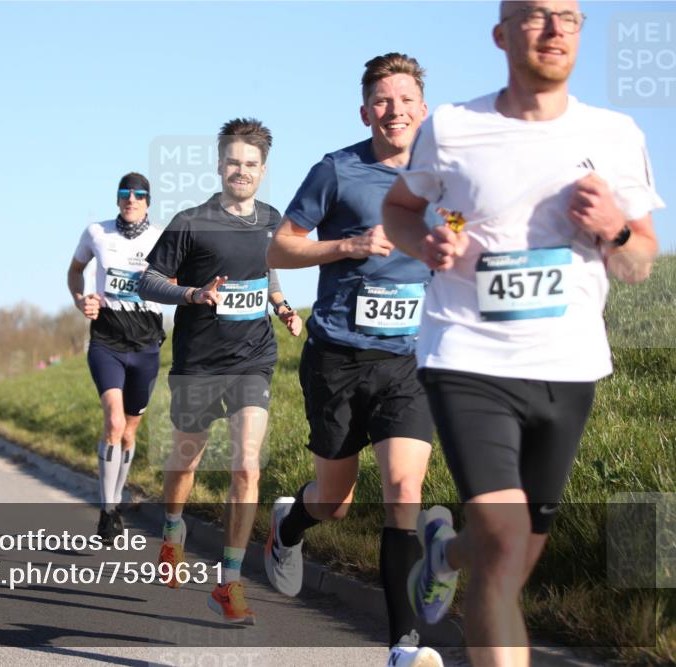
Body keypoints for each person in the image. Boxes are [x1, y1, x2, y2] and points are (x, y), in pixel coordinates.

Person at [381, 2, 662, 665]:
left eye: (568, 16)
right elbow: (399, 209)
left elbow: (639, 262)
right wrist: (425, 245)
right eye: (536, 15)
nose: (555, 29)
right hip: (466, 354)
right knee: (505, 543)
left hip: (569, 366)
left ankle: (444, 552)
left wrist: (617, 228)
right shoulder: (452, 127)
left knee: (511, 551)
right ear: (503, 34)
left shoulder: (615, 133)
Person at [266, 53, 442, 666]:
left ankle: (403, 645)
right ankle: (288, 527)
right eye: (383, 101)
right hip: (337, 355)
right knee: (335, 501)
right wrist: (348, 244)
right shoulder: (336, 171)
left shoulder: (447, 174)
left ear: (424, 108)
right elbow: (280, 248)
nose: (395, 111)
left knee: (403, 488)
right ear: (365, 110)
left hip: (409, 361)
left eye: (406, 100)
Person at [139, 118, 303, 624]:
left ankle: (228, 583)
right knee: (187, 458)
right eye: (233, 161)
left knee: (246, 465)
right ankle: (172, 527)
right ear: (219, 165)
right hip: (199, 361)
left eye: (250, 164)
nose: (241, 170)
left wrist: (281, 305)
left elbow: (265, 268)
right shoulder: (192, 221)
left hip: (253, 358)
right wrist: (191, 293)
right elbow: (146, 279)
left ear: (263, 170)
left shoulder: (273, 219)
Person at [67, 172, 166, 540]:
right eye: (125, 193)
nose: (131, 198)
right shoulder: (96, 233)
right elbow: (75, 271)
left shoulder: (161, 238)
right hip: (106, 342)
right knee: (114, 423)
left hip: (146, 346)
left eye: (139, 194)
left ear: (147, 201)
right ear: (117, 198)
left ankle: (117, 498)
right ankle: (107, 512)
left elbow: (180, 278)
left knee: (129, 432)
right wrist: (81, 301)